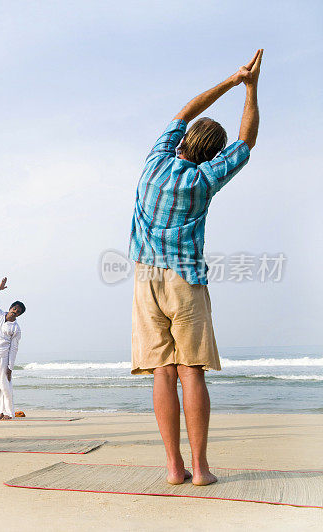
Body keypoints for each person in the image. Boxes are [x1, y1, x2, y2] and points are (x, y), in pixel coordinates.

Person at [129, 50, 263, 486]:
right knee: (192, 371)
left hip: (146, 278)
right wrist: (251, 89)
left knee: (162, 372)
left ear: (183, 140)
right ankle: (201, 468)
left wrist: (231, 79)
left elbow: (185, 111)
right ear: (210, 155)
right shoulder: (204, 179)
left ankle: (173, 468)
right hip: (185, 279)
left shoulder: (154, 161)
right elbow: (247, 142)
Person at [0, 277, 24, 420]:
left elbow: (14, 349)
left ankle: (9, 413)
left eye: (18, 311)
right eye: (14, 308)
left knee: (4, 385)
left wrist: (10, 367)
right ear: (11, 307)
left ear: (19, 314)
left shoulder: (16, 328)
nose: (15, 311)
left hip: (3, 357)